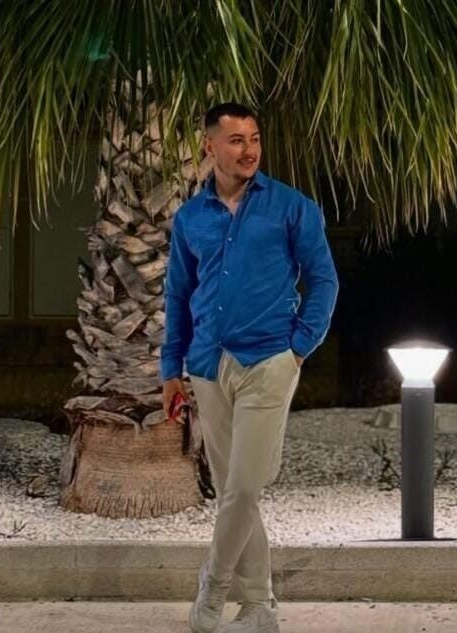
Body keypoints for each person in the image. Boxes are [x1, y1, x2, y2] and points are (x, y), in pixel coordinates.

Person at [160, 102, 339, 633]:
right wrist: (171, 369)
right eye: (236, 140)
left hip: (268, 362)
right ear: (209, 146)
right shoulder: (191, 218)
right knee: (233, 491)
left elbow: (324, 281)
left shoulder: (291, 207)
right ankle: (260, 607)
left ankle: (213, 585)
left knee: (243, 487)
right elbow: (178, 296)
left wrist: (298, 347)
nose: (249, 150)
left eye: (255, 138)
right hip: (208, 365)